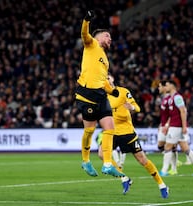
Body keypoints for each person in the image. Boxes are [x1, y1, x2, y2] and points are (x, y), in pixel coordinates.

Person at [98, 74, 169, 198]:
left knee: (142, 160)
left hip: (127, 132)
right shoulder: (102, 97)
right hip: (111, 132)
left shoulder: (123, 92)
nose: (106, 80)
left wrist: (132, 107)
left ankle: (162, 185)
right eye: (104, 79)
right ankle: (124, 178)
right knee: (101, 154)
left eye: (108, 78)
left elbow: (138, 108)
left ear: (113, 79)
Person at [75, 10, 124, 178]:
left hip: (101, 95)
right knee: (89, 130)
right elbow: (84, 33)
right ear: (99, 37)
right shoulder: (92, 44)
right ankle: (86, 161)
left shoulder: (105, 58)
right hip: (87, 93)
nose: (110, 39)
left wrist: (113, 90)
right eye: (108, 36)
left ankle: (108, 164)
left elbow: (103, 80)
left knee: (110, 128)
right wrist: (86, 19)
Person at [159, 80, 193, 176]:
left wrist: (184, 126)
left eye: (167, 85)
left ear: (172, 86)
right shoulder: (171, 98)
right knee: (185, 148)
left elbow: (183, 111)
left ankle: (164, 171)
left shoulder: (177, 97)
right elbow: (172, 114)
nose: (165, 87)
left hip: (176, 126)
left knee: (168, 147)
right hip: (175, 125)